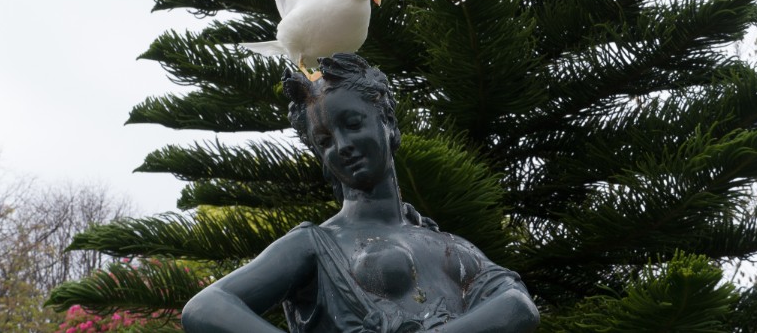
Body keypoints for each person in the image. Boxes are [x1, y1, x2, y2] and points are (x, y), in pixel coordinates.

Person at [181, 53, 540, 332]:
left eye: (353, 124)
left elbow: (518, 306)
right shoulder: (315, 245)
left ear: (388, 122)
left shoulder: (452, 247)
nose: (343, 146)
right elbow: (206, 307)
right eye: (325, 141)